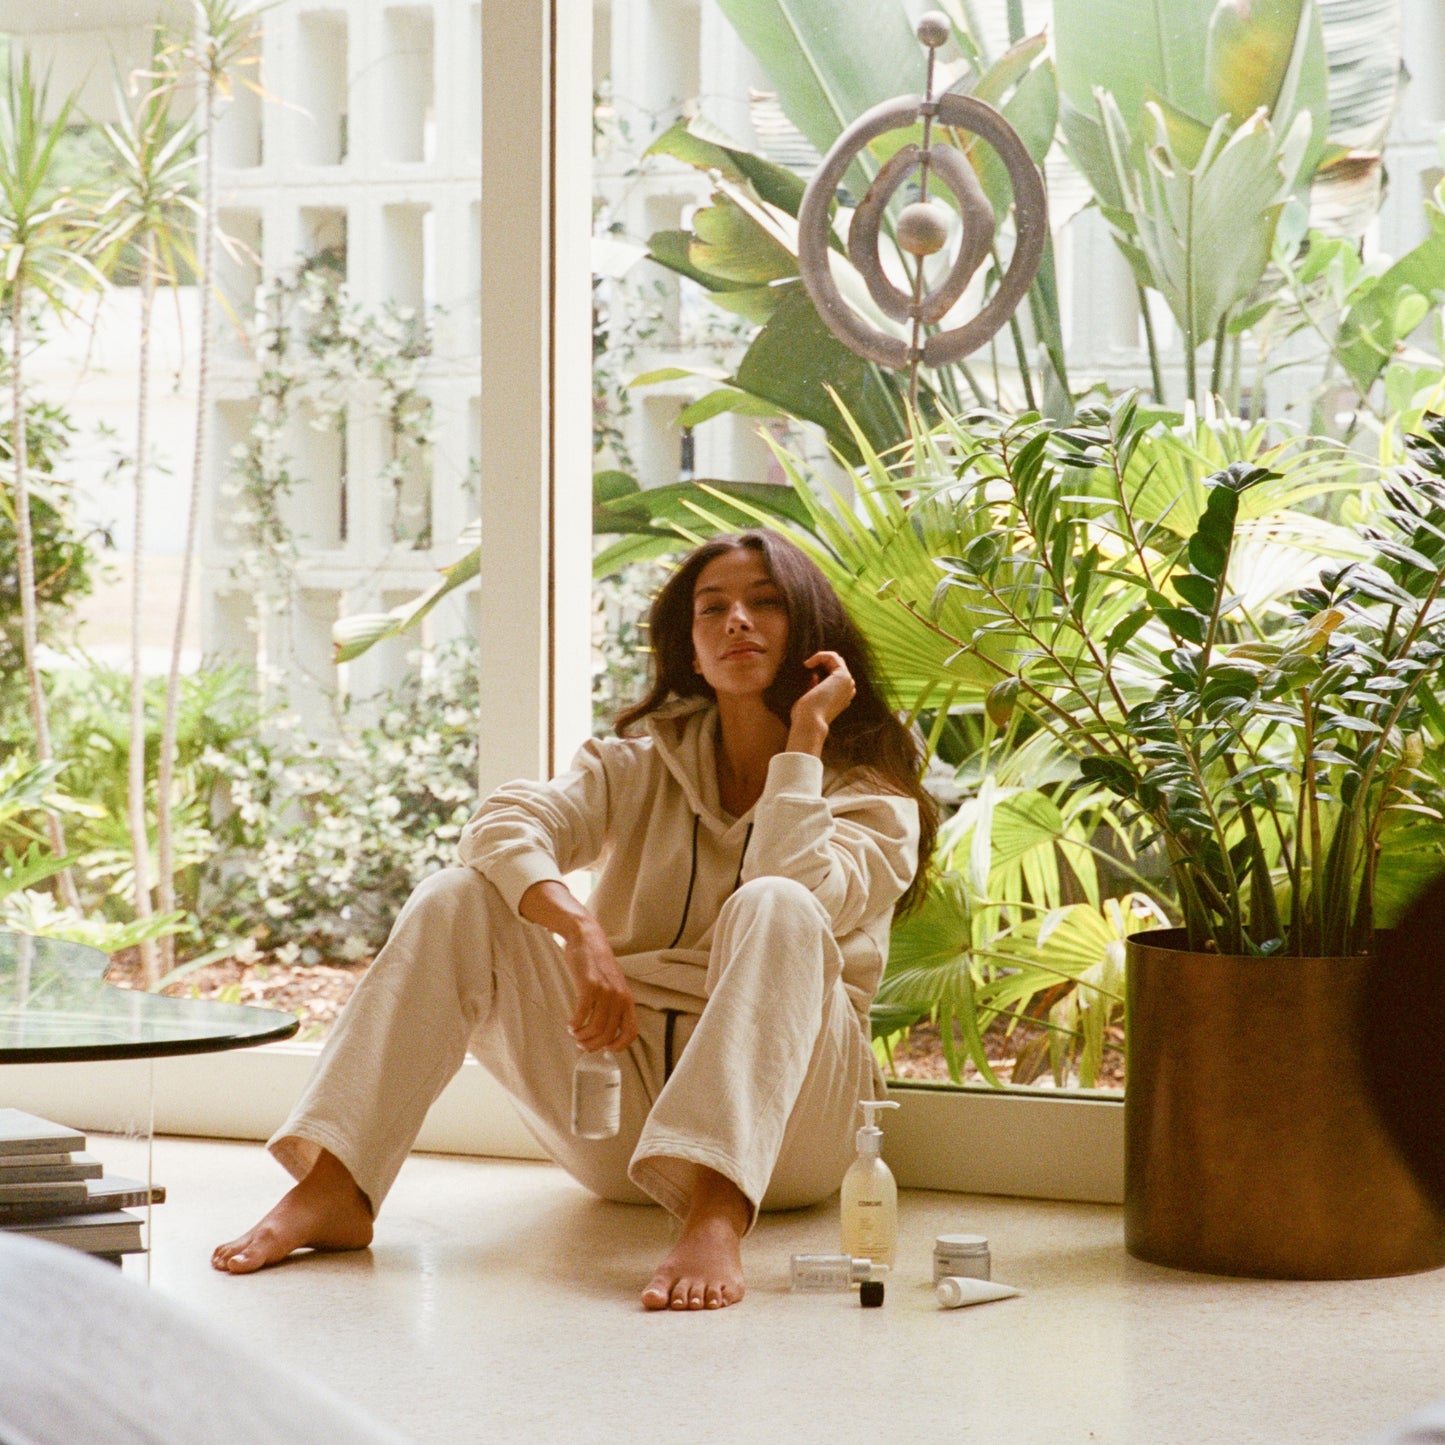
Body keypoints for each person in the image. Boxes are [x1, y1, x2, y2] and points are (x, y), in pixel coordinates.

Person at [212, 530, 937, 1310]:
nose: (736, 621)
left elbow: (793, 881)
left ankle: (717, 1210)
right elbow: (500, 824)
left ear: (809, 637)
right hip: (619, 1123)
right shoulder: (635, 764)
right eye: (713, 608)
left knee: (777, 902)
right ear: (689, 651)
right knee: (458, 895)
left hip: (788, 1140)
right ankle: (338, 1184)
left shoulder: (873, 795)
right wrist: (577, 928)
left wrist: (804, 741)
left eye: (765, 604)